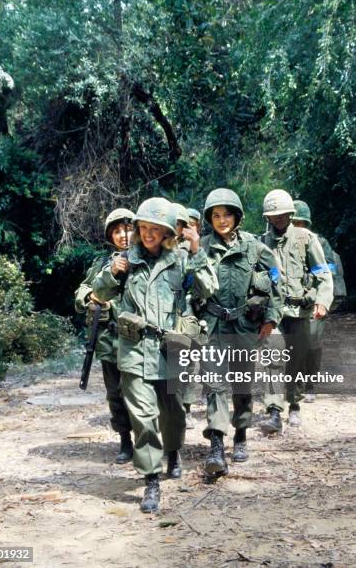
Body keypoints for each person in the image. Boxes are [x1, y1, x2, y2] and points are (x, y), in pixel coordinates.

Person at [92, 197, 217, 513]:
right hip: (134, 351)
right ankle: (151, 480)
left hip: (172, 348)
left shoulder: (182, 260)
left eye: (156, 229)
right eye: (143, 228)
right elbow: (99, 294)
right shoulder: (125, 261)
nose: (148, 234)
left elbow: (208, 289)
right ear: (137, 230)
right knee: (144, 418)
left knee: (174, 414)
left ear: (166, 232)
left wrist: (197, 249)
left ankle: (173, 452)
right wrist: (110, 274)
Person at [196, 188, 283, 477]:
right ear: (210, 219)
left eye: (227, 214)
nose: (222, 220)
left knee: (241, 386)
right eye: (216, 215)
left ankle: (241, 434)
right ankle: (217, 446)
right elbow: (185, 286)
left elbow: (276, 283)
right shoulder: (202, 248)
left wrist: (271, 318)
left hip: (245, 327)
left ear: (237, 216)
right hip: (212, 327)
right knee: (214, 385)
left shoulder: (254, 247)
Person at [261, 190, 333, 427]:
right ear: (267, 217)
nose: (278, 218)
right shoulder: (262, 243)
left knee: (296, 359)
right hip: (274, 311)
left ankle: (294, 404)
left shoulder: (306, 238)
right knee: (273, 356)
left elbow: (322, 272)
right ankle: (273, 410)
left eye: (282, 214)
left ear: (290, 214)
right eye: (273, 215)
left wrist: (322, 300)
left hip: (299, 311)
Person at [75, 208, 135, 464]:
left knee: (144, 392)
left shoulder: (148, 259)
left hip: (140, 340)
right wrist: (90, 298)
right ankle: (125, 440)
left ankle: (153, 441)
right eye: (118, 231)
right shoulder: (102, 263)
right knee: (116, 393)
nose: (124, 235)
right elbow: (82, 291)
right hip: (111, 341)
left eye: (128, 229)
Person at [292, 200, 346, 401]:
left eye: (300, 223)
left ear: (307, 223)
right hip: (292, 301)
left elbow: (328, 273)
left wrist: (320, 298)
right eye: (293, 222)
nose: (297, 227)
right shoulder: (281, 241)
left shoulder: (320, 243)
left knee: (312, 342)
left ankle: (310, 384)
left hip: (316, 299)